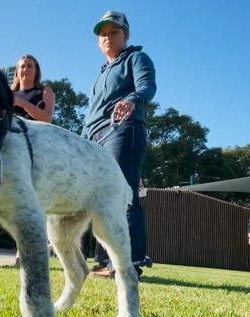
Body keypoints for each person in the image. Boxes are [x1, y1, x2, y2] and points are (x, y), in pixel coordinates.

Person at [84, 11, 156, 279]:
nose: (107, 37)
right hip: (94, 139)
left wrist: (133, 99)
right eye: (103, 34)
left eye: (113, 32)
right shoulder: (100, 74)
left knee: (124, 196)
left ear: (125, 35)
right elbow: (92, 112)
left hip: (124, 130)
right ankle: (105, 261)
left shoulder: (137, 58)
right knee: (99, 201)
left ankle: (130, 263)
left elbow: (147, 86)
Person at [0, 54, 55, 267]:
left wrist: (21, 103)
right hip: (8, 148)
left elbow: (47, 118)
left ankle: (22, 252)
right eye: (22, 66)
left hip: (33, 150)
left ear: (36, 70)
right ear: (17, 71)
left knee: (28, 201)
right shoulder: (6, 93)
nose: (25, 69)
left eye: (30, 66)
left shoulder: (44, 91)